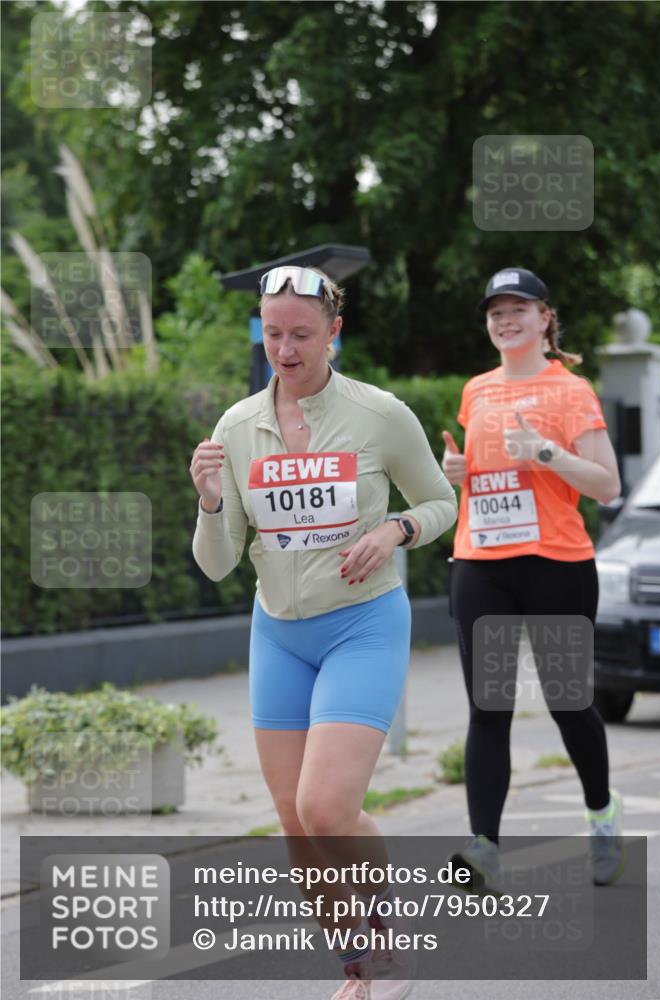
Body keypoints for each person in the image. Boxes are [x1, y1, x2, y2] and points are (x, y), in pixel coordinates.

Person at [190, 264, 457, 999]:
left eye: (300, 334)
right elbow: (216, 567)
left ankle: (388, 935)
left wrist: (397, 529)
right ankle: (358, 969)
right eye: (272, 333)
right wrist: (211, 503)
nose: (284, 348)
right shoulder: (237, 428)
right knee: (296, 829)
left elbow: (442, 502)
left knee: (326, 808)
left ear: (333, 333)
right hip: (277, 631)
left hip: (362, 625)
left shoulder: (380, 414)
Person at [442, 267, 625, 890]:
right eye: (495, 310)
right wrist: (456, 472)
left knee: (569, 702)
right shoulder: (476, 392)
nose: (505, 318)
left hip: (557, 564)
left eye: (518, 307)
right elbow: (483, 477)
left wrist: (544, 451)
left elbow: (607, 485)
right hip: (482, 563)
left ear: (546, 318)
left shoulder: (571, 391)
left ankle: (602, 813)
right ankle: (484, 845)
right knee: (488, 707)